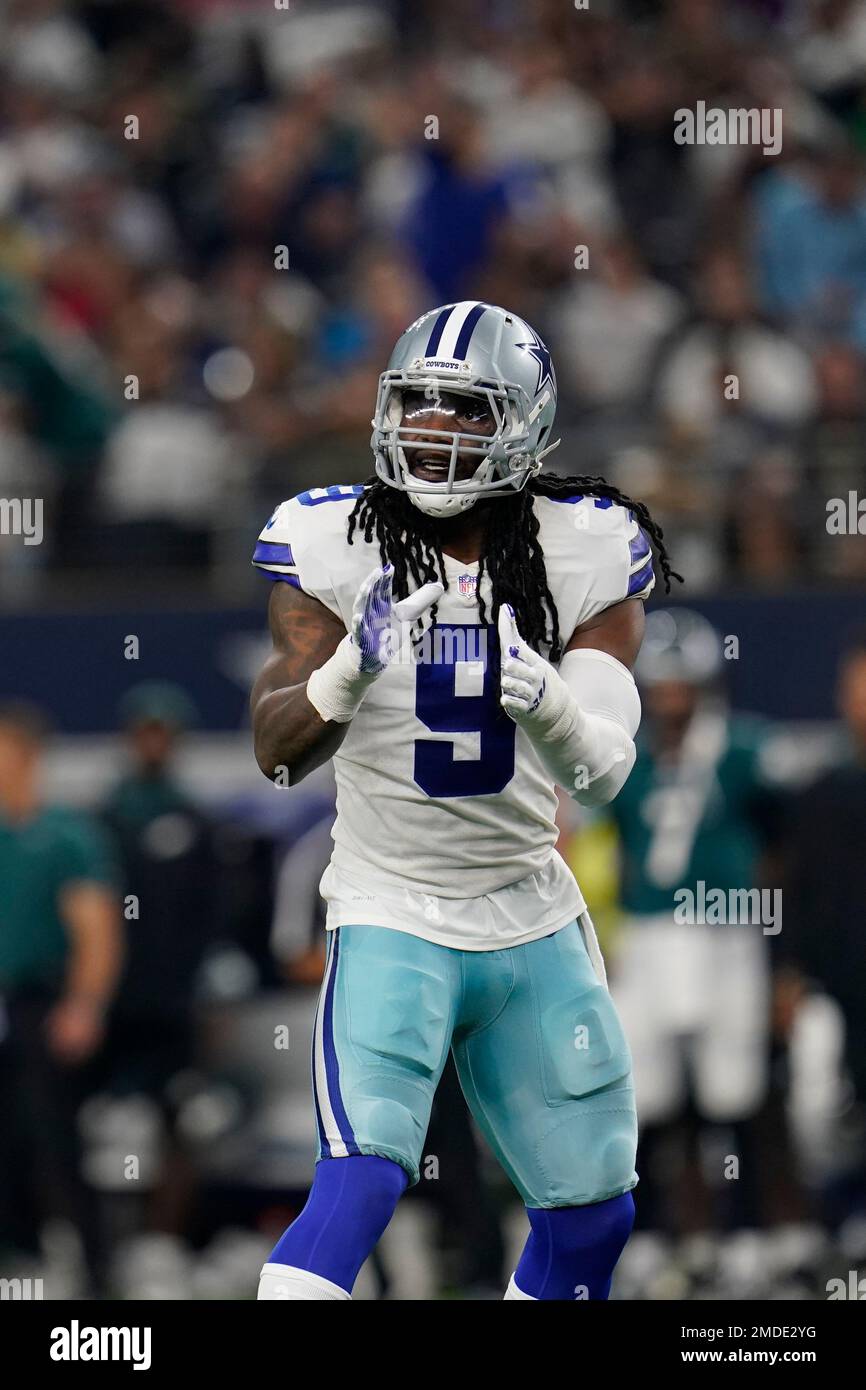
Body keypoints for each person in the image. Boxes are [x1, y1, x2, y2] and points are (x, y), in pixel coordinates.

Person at [249, 301, 678, 1301]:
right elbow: (275, 751)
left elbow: (604, 771)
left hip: (527, 905)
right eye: (417, 405)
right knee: (357, 1182)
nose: (431, 430)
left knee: (593, 1214)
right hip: (392, 901)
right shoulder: (333, 540)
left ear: (524, 425)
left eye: (463, 411)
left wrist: (552, 705)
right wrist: (341, 676)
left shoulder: (586, 544)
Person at [610, 609, 783, 1233]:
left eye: (681, 686)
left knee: (732, 1091)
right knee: (645, 1095)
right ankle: (653, 1234)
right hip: (648, 933)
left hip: (726, 928)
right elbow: (603, 851)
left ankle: (744, 1234)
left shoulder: (740, 751)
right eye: (661, 687)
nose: (671, 699)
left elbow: (781, 838)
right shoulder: (623, 756)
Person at [0, 701, 121, 1293]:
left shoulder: (64, 836)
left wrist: (83, 1005)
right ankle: (17, 1258)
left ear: (27, 756)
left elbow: (95, 928)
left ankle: (92, 1267)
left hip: (40, 1002)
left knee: (53, 1139)